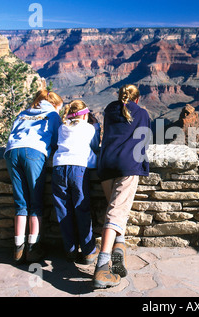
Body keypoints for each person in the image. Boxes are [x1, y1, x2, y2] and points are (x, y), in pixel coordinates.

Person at [93, 84, 151, 289]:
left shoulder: (109, 109)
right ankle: (102, 267)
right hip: (127, 165)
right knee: (116, 214)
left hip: (106, 164)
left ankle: (120, 247)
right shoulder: (142, 113)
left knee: (115, 209)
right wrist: (143, 166)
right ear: (137, 99)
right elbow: (143, 142)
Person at [4, 89, 63, 264]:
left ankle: (18, 248)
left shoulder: (23, 113)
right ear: (54, 104)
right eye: (59, 108)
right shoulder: (52, 115)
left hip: (12, 151)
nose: (59, 111)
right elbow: (56, 142)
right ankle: (32, 248)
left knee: (21, 203)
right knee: (35, 203)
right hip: (34, 152)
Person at [51, 100, 101, 264]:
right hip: (78, 168)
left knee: (63, 210)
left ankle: (70, 249)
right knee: (82, 208)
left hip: (58, 167)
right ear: (85, 114)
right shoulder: (89, 128)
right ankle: (88, 251)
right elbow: (94, 147)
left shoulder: (62, 127)